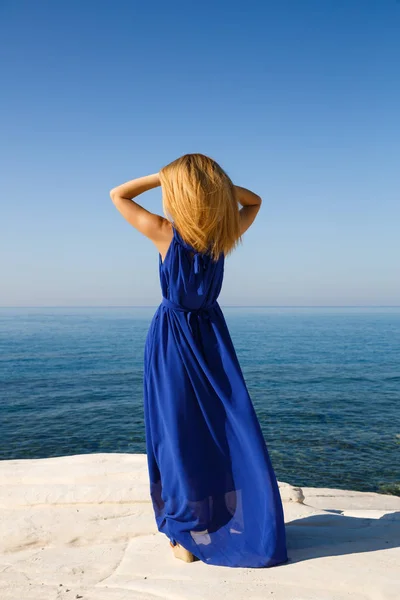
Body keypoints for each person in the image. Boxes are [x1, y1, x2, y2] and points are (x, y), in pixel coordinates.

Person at [110, 153, 288, 568]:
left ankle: (187, 535)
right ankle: (226, 518)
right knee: (224, 424)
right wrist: (216, 187)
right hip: (211, 336)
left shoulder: (166, 233)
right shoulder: (220, 236)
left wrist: (163, 177)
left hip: (173, 338)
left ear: (179, 191)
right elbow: (255, 201)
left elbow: (118, 194)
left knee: (176, 431)